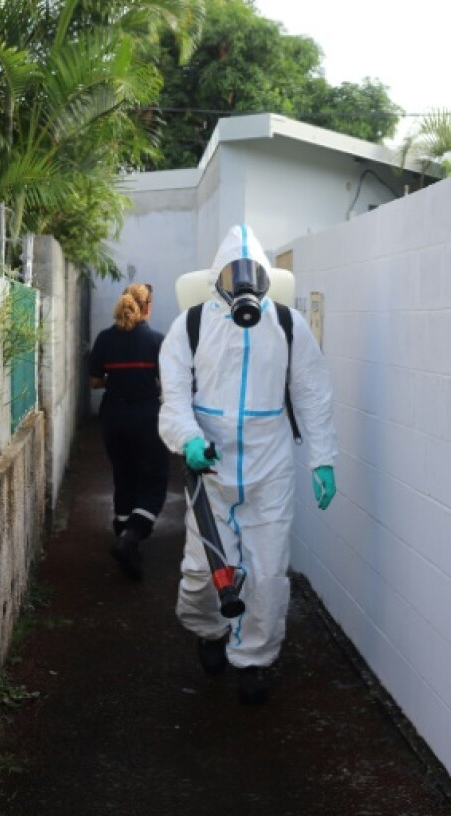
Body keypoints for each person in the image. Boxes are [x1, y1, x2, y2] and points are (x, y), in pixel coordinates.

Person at [159, 224, 338, 704]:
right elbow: (173, 400)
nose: (243, 283)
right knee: (203, 571)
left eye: (252, 273)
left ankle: (255, 661)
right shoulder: (190, 326)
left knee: (266, 571)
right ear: (216, 279)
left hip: (269, 464)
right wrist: (189, 441)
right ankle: (210, 630)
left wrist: (323, 459)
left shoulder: (287, 325)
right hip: (209, 466)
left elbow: (313, 394)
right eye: (233, 274)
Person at [89, 282, 169, 579]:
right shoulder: (157, 342)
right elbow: (168, 383)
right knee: (154, 480)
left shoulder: (105, 339)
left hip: (113, 418)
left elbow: (95, 382)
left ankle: (125, 542)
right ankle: (131, 537)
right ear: (147, 307)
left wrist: (118, 379)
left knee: (123, 478)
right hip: (147, 417)